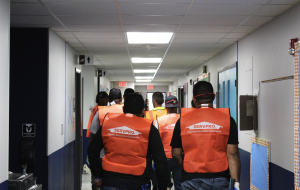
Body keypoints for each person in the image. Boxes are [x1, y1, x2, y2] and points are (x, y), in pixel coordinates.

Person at [87, 93, 168, 190]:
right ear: (143, 111)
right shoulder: (149, 129)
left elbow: (92, 150)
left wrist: (98, 174)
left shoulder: (107, 125)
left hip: (110, 180)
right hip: (139, 181)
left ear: (123, 109)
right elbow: (160, 161)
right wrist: (162, 186)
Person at [171, 81, 241, 190]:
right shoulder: (228, 120)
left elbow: (176, 154)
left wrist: (186, 167)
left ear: (194, 99)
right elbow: (233, 154)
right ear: (213, 97)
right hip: (220, 179)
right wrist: (236, 183)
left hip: (191, 178)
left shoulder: (182, 121)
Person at [89, 88, 124, 190]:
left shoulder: (100, 112)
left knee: (100, 184)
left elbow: (93, 136)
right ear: (121, 99)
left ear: (109, 99)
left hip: (102, 157)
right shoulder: (127, 112)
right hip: (122, 156)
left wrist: (92, 156)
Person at [157, 95, 182, 190]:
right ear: (177, 106)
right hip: (180, 156)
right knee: (179, 184)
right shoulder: (184, 119)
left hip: (165, 158)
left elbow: (156, 142)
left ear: (165, 107)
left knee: (164, 184)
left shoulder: (159, 121)